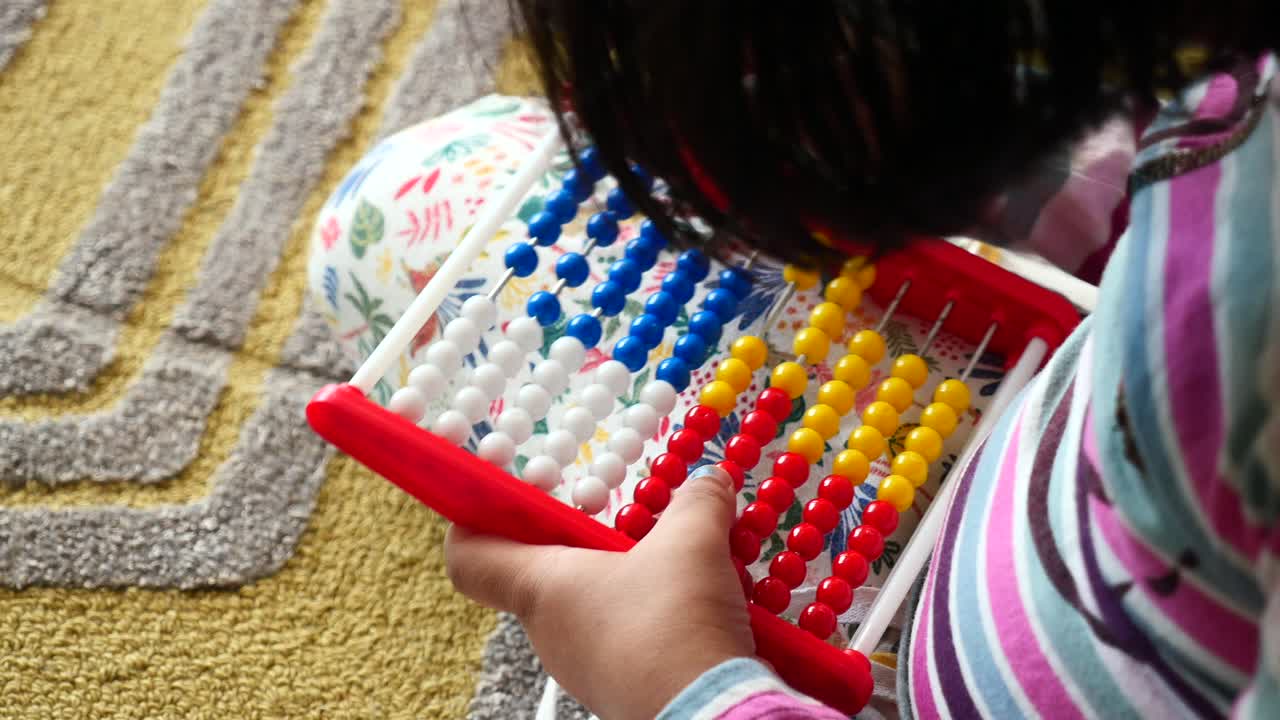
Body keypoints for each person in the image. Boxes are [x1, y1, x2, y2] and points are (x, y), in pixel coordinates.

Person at [317, 2, 1280, 717]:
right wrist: (1034, 193)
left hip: (846, 669)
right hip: (1023, 437)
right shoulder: (1240, 114)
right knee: (410, 204)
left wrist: (685, 686)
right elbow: (1184, 168)